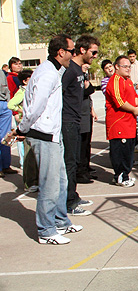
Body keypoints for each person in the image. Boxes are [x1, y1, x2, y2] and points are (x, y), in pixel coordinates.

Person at [10, 34, 84, 244]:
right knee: (49, 184)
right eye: (71, 51)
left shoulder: (55, 71)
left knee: (61, 181)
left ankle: (60, 220)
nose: (73, 54)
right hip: (43, 135)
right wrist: (21, 129)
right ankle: (46, 230)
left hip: (53, 134)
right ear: (61, 52)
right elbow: (34, 107)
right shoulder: (47, 74)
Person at [61, 34, 100, 216]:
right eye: (93, 52)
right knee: (69, 163)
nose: (95, 56)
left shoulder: (79, 71)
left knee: (75, 161)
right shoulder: (69, 71)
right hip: (67, 121)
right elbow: (57, 95)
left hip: (77, 120)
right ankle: (68, 203)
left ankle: (73, 196)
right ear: (82, 50)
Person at [105, 55, 138, 187]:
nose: (128, 69)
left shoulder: (127, 80)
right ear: (117, 67)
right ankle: (120, 176)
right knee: (120, 152)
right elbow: (119, 101)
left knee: (128, 151)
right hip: (119, 123)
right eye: (125, 66)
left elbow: (134, 95)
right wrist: (133, 109)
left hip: (129, 123)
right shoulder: (115, 80)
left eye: (129, 66)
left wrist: (137, 104)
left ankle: (125, 174)